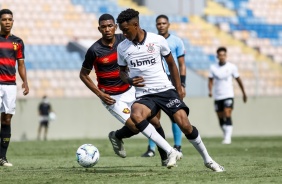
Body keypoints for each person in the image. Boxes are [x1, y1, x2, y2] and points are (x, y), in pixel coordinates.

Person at [117, 8, 225, 172]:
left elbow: (172, 64)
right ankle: (169, 151)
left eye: (126, 30)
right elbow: (122, 72)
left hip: (165, 90)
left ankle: (208, 160)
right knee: (136, 115)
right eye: (122, 31)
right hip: (144, 94)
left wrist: (179, 87)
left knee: (185, 125)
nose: (124, 34)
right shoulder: (122, 47)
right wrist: (129, 80)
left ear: (136, 25)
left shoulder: (157, 40)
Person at [79, 13, 182, 168]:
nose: (107, 29)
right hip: (112, 97)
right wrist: (100, 94)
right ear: (99, 29)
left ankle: (164, 159)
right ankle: (116, 136)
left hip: (130, 89)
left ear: (115, 26)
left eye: (110, 26)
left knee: (154, 121)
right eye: (103, 27)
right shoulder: (94, 50)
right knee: (134, 127)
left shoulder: (124, 40)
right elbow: (83, 75)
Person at [142, 14, 186, 157]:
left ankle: (177, 146)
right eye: (159, 23)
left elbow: (181, 64)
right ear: (156, 25)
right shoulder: (152, 41)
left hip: (171, 80)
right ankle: (151, 148)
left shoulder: (176, 41)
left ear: (168, 24)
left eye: (163, 23)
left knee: (175, 114)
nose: (161, 25)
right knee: (153, 116)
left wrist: (182, 84)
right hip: (155, 80)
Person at [0, 9, 29, 167]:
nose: (7, 22)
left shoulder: (18, 41)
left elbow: (21, 64)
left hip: (10, 85)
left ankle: (2, 157)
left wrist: (25, 81)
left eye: (10, 19)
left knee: (7, 119)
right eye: (4, 19)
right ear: (0, 21)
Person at [208, 47, 247, 144]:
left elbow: (238, 79)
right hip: (218, 96)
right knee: (220, 117)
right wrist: (210, 91)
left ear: (226, 56)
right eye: (220, 55)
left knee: (227, 113)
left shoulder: (232, 67)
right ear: (217, 56)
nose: (222, 57)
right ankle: (226, 133)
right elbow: (210, 80)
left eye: (223, 55)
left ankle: (228, 138)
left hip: (228, 94)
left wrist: (244, 92)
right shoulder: (213, 67)